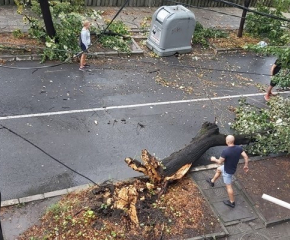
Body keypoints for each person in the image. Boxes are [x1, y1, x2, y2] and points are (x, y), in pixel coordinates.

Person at [206, 135, 249, 208]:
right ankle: (212, 181)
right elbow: (246, 157)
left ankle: (232, 202)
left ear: (228, 141)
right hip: (231, 167)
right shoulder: (239, 148)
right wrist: (246, 165)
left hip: (228, 171)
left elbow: (219, 161)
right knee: (219, 169)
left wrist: (213, 159)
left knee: (229, 186)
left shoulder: (225, 151)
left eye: (226, 140)